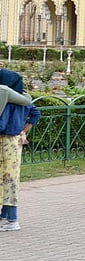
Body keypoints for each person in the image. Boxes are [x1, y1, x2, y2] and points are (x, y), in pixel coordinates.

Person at [0, 69, 37, 230]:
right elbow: (36, 113)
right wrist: (23, 130)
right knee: (11, 178)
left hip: (4, 141)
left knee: (5, 179)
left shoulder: (6, 99)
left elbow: (1, 124)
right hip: (15, 142)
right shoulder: (23, 99)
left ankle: (12, 220)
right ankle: (6, 216)